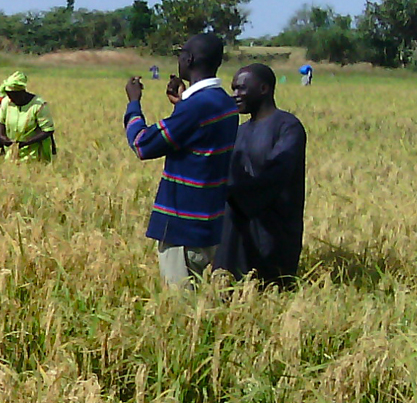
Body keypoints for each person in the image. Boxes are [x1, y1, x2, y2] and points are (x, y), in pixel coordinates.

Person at [123, 34, 239, 289]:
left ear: (190, 59)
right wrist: (181, 105)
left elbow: (143, 144)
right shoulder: (224, 103)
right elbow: (194, 139)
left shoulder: (197, 108)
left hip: (183, 229)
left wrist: (134, 104)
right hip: (210, 225)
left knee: (182, 311)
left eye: (181, 53)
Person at [216, 64, 308, 288]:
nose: (235, 95)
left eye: (241, 89)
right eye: (233, 89)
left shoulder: (288, 127)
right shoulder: (239, 130)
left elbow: (278, 173)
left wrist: (232, 194)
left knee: (271, 291)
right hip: (237, 229)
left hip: (274, 231)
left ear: (264, 88)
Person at [0, 71, 56, 162]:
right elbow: (0, 121)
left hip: (34, 154)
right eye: (9, 95)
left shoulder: (38, 105)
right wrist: (2, 137)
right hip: (11, 154)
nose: (11, 99)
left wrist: (26, 143)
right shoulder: (6, 102)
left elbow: (47, 130)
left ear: (22, 92)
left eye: (14, 96)